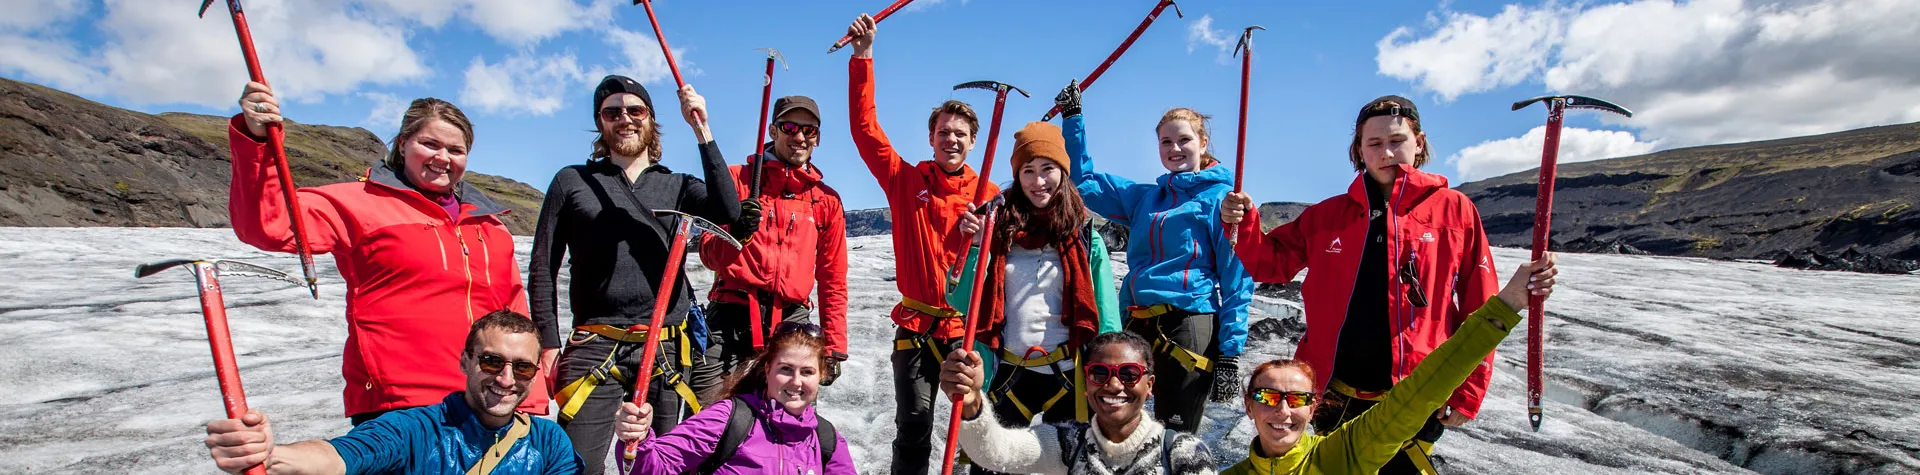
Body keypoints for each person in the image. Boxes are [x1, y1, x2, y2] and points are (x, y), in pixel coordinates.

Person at [230, 84, 545, 423]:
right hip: (401, 403)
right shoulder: (356, 202)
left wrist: (532, 399)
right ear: (403, 143)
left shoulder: (489, 226)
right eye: (430, 144)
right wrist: (257, 140)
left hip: (488, 399)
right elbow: (269, 224)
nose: (443, 158)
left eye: (456, 149)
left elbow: (515, 316)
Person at [1221, 95, 1502, 473]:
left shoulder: (1455, 210)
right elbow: (1270, 264)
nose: (1387, 152)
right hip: (1332, 395)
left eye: (1397, 141)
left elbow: (1480, 305)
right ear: (1359, 150)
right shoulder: (1327, 215)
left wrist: (1468, 390)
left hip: (1415, 394)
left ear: (1418, 142)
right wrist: (1243, 222)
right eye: (1374, 143)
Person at [527, 75, 740, 475]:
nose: (624, 119)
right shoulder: (572, 181)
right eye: (612, 112)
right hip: (593, 342)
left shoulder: (677, 186)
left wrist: (702, 128)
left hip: (665, 346)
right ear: (601, 123)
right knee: (577, 465)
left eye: (635, 110)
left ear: (650, 119)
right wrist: (548, 342)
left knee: (658, 465)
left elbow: (728, 212)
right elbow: (543, 265)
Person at [1221, 255, 1557, 474]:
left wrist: (1507, 304)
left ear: (1313, 409)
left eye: (1297, 400)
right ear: (1249, 407)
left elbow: (1422, 390)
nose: (1283, 411)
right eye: (1267, 398)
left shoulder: (1346, 455)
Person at [843, 13, 1002, 474]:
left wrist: (981, 242)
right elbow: (864, 130)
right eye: (943, 132)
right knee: (912, 426)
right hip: (914, 329)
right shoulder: (904, 179)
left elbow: (1001, 265)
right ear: (931, 138)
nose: (950, 139)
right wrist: (863, 56)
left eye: (960, 133)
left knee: (970, 429)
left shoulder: (990, 195)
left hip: (965, 333)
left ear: (973, 142)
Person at [1056, 84, 1254, 433]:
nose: (1175, 148)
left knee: (1174, 435)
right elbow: (1083, 182)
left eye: (1184, 140)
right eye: (1166, 142)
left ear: (1203, 144)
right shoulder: (1144, 198)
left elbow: (1237, 279)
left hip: (1190, 323)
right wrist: (1073, 119)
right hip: (1138, 322)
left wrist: (1229, 353)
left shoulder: (1222, 200)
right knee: (1120, 427)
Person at [203, 310, 583, 475]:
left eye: (521, 367)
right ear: (465, 362)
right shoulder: (413, 430)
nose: (505, 378)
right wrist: (268, 455)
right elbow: (337, 458)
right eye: (491, 362)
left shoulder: (547, 440)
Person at [952, 121, 1122, 432]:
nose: (1038, 180)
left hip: (1069, 375)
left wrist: (1110, 372)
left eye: (1048, 168)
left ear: (1063, 172)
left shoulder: (1084, 237)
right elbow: (962, 301)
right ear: (1017, 176)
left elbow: (1107, 316)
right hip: (1007, 373)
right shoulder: (995, 228)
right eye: (1028, 170)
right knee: (993, 465)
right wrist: (976, 248)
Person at [693, 95, 850, 405]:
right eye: (790, 127)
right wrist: (737, 232)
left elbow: (833, 277)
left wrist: (833, 344)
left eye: (810, 130)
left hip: (792, 321)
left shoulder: (826, 200)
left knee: (788, 420)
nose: (800, 137)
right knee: (707, 415)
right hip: (731, 315)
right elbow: (710, 255)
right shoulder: (737, 181)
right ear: (773, 130)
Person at [940, 332, 1217, 474]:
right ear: (1086, 383)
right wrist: (972, 401)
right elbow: (996, 453)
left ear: (1150, 385)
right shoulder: (1069, 444)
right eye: (1100, 373)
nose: (1114, 384)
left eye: (1129, 374)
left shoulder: (1183, 455)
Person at [614, 322, 856, 474]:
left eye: (807, 372)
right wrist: (638, 439)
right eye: (785, 369)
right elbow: (655, 468)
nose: (796, 381)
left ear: (820, 376)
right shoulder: (729, 419)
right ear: (767, 369)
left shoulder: (825, 438)